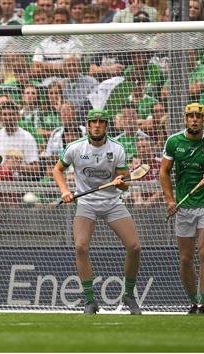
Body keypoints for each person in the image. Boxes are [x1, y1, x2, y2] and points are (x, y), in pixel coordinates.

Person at [53, 108, 142, 315]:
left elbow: (126, 183)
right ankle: (90, 300)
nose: (97, 125)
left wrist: (120, 182)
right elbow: (58, 169)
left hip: (112, 202)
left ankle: (128, 295)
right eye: (93, 121)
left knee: (135, 246)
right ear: (88, 124)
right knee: (81, 247)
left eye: (101, 121)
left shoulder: (117, 149)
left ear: (106, 125)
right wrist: (65, 190)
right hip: (86, 203)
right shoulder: (75, 148)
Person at [159, 103, 204, 315]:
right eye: (190, 116)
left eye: (198, 117)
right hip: (183, 205)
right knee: (185, 258)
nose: (194, 120)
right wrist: (170, 200)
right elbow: (164, 172)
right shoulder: (173, 142)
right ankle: (192, 300)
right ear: (185, 119)